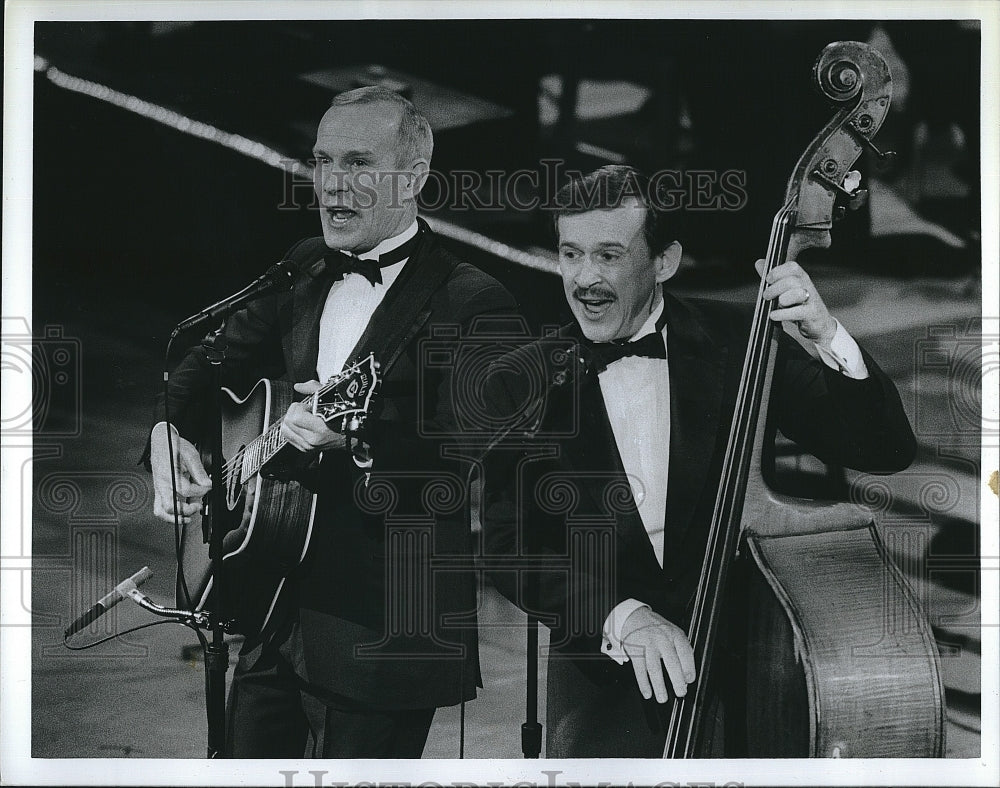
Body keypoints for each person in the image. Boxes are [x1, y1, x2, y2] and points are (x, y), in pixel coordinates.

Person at [480, 165, 916, 757]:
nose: (585, 279)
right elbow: (508, 543)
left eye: (609, 255)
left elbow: (883, 448)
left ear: (665, 261)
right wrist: (622, 616)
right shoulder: (520, 379)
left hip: (752, 671)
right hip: (606, 675)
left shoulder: (738, 340)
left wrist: (826, 332)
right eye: (570, 254)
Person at [145, 86, 515, 757]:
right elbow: (200, 363)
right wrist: (167, 433)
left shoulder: (475, 303)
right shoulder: (306, 265)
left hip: (383, 634)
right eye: (321, 162)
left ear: (414, 176)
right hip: (272, 609)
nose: (332, 186)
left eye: (358, 164)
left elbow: (456, 461)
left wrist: (358, 438)